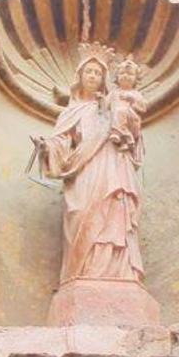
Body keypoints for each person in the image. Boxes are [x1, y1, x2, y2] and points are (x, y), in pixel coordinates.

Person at [31, 44, 145, 283]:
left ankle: (118, 273)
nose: (93, 76)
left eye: (97, 73)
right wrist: (47, 146)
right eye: (88, 72)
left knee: (114, 212)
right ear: (80, 77)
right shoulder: (72, 112)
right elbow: (63, 142)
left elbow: (134, 134)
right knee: (82, 211)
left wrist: (127, 118)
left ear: (104, 79)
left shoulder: (113, 105)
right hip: (84, 170)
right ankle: (81, 274)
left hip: (114, 165)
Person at [107, 56, 147, 154]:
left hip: (132, 121)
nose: (126, 76)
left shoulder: (136, 94)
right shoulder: (113, 93)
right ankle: (126, 141)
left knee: (120, 111)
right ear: (117, 77)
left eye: (130, 74)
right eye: (122, 73)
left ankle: (118, 133)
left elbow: (143, 108)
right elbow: (105, 106)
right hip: (116, 120)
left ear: (136, 79)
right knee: (115, 113)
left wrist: (132, 100)